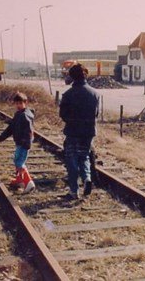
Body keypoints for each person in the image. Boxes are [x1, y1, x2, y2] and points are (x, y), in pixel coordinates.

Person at [59, 63, 100, 199]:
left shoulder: (67, 95)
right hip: (88, 132)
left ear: (72, 77)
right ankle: (87, 178)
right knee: (84, 156)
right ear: (85, 75)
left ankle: (74, 191)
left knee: (72, 160)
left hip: (72, 131)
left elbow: (63, 115)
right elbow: (96, 114)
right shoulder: (95, 94)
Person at [0, 91, 36, 194]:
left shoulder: (25, 116)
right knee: (17, 160)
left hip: (24, 144)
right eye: (17, 103)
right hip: (20, 143)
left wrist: (27, 143)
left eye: (20, 103)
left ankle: (29, 182)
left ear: (25, 102)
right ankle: (19, 179)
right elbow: (11, 127)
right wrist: (2, 137)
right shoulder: (18, 114)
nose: (18, 105)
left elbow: (29, 132)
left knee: (19, 162)